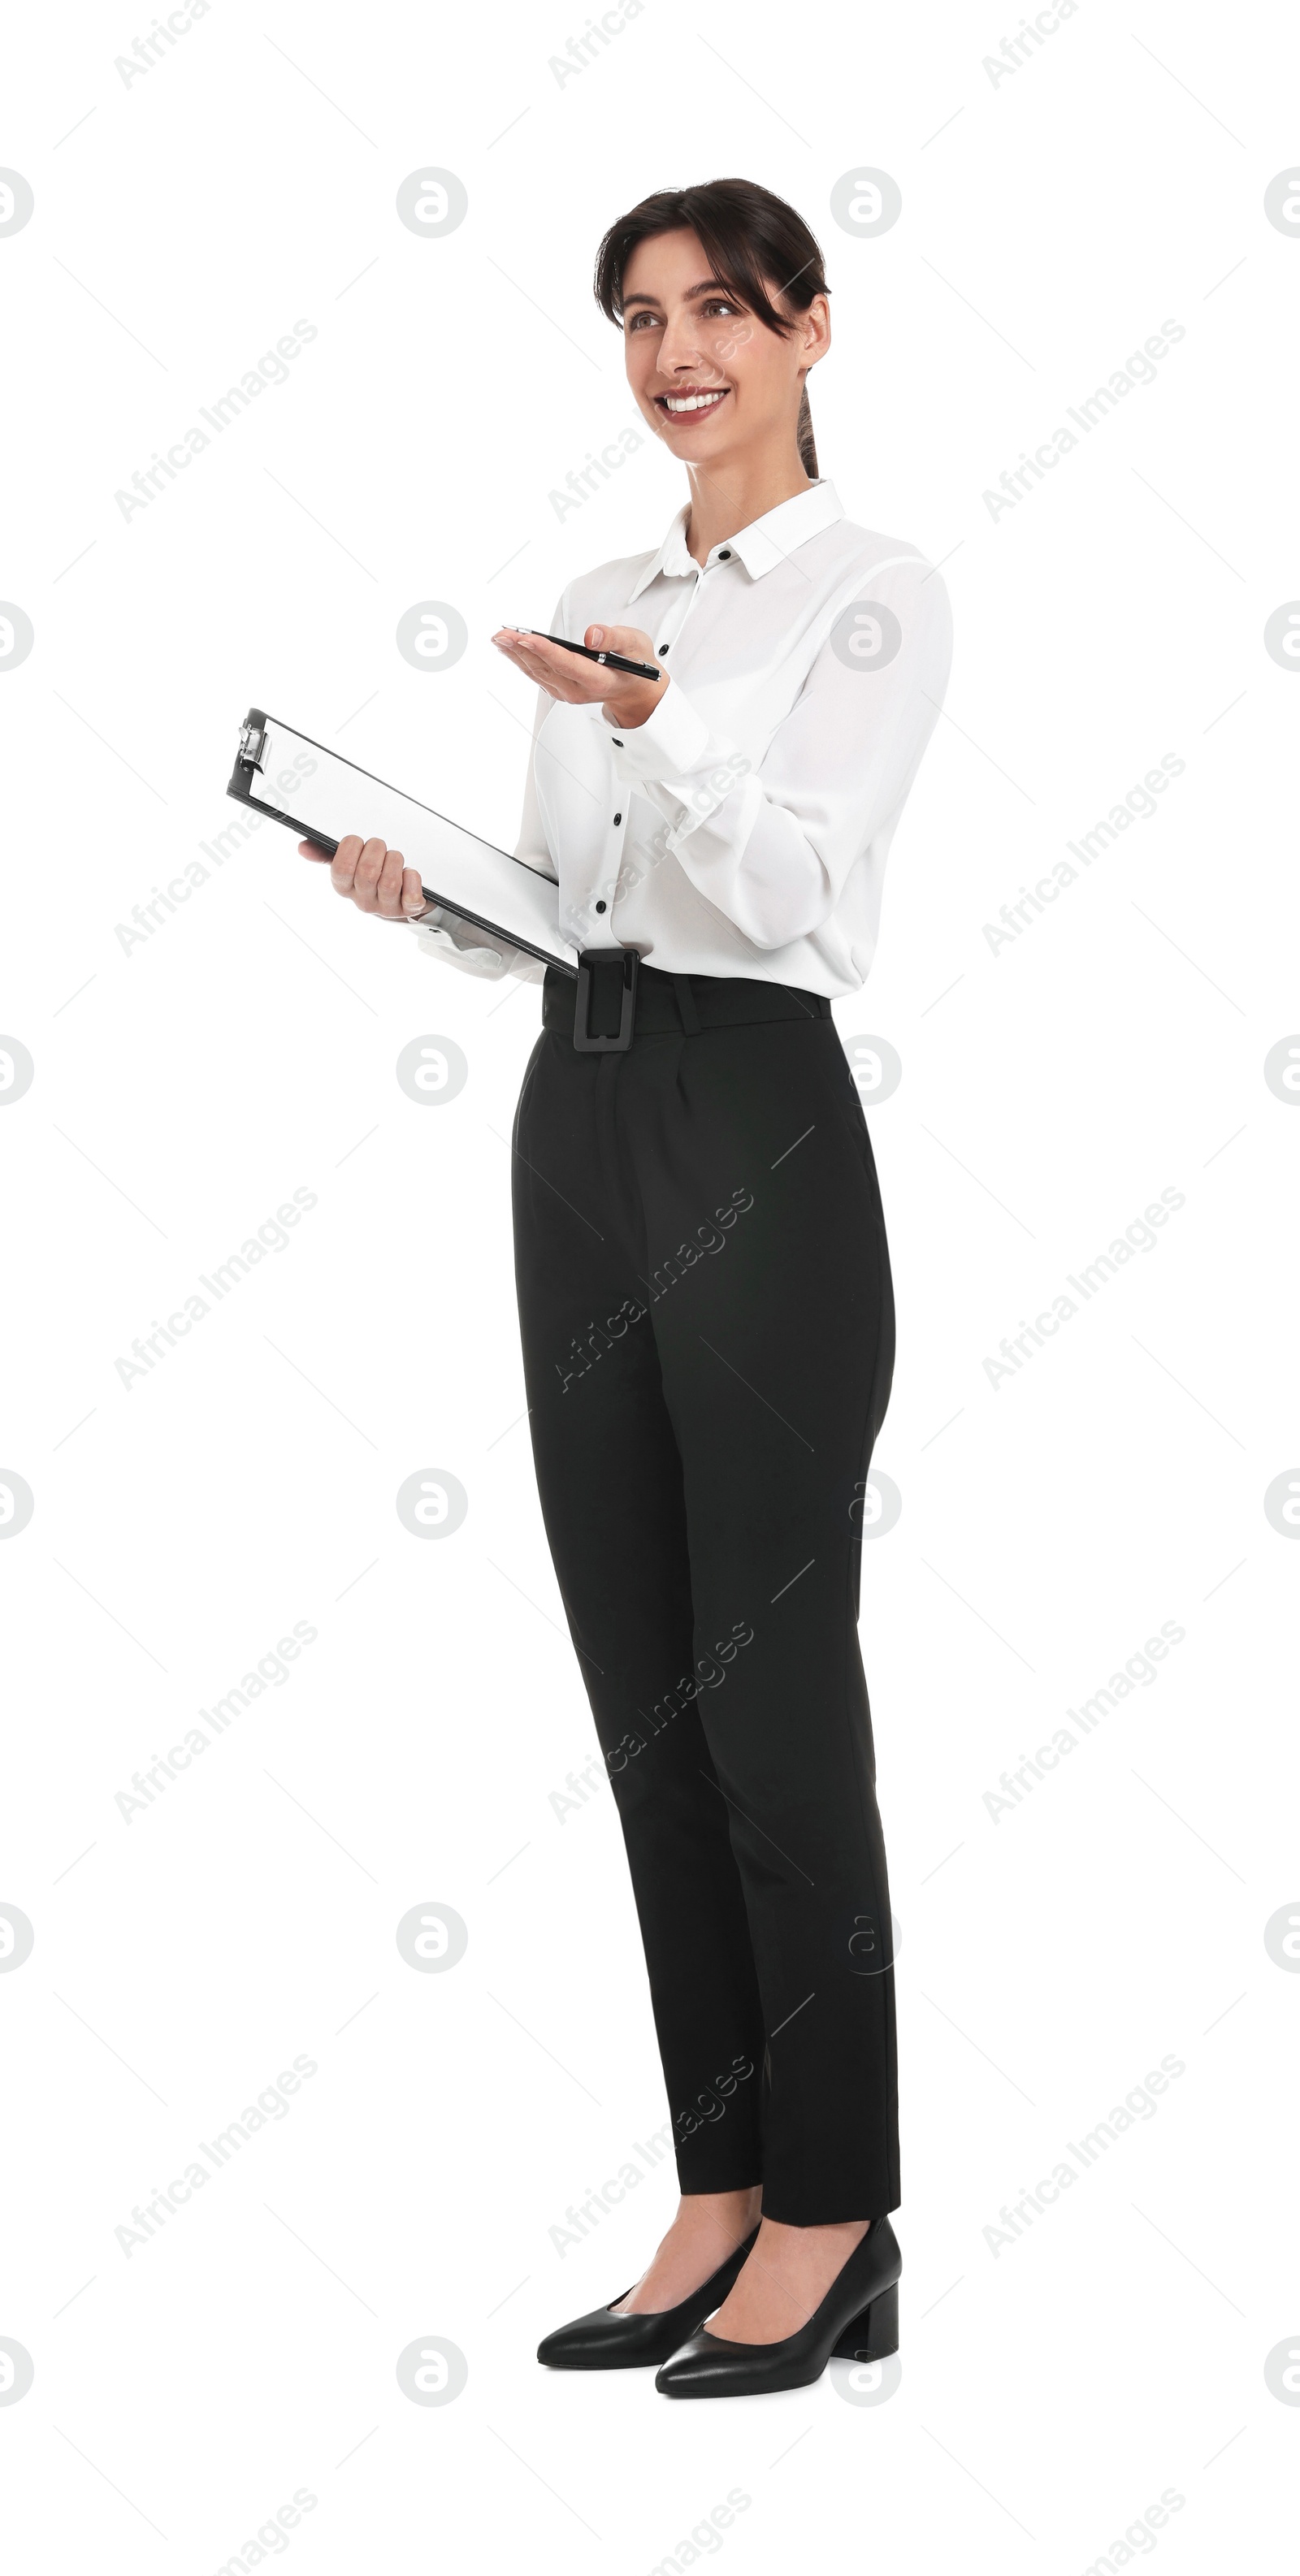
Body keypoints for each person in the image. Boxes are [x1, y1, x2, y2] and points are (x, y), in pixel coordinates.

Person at [301, 176, 952, 2398]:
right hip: (573, 1123)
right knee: (646, 1684)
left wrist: (660, 720)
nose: (677, 351)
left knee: (774, 1691)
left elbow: (798, 898)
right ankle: (719, 2178)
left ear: (809, 327)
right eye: (641, 319)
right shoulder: (602, 589)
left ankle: (841, 2206)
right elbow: (579, 911)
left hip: (753, 1123)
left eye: (719, 311)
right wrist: (423, 889)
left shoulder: (870, 598)